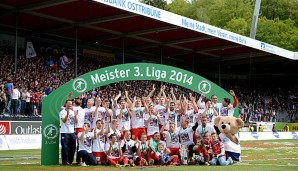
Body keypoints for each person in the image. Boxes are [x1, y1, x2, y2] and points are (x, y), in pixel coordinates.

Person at [59, 100, 76, 165]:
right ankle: (65, 162)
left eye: (71, 104)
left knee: (73, 147)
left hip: (72, 132)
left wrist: (76, 116)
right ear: (66, 104)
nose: (70, 105)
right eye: (69, 104)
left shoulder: (72, 112)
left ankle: (70, 161)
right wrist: (67, 114)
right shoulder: (62, 112)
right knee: (65, 148)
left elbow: (75, 121)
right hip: (64, 132)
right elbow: (64, 121)